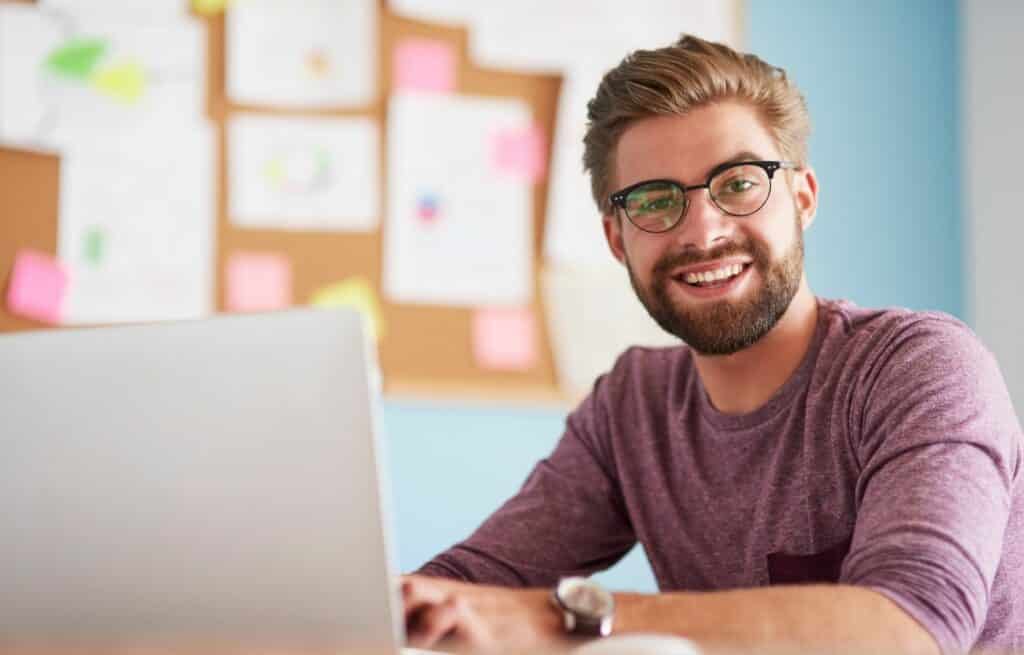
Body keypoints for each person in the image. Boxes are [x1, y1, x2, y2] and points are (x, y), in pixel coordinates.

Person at [401, 34, 1024, 655]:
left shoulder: (921, 368)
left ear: (802, 198)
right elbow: (469, 587)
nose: (702, 231)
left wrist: (572, 619)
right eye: (655, 200)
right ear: (618, 240)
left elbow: (909, 628)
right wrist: (376, 614)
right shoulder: (632, 409)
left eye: (738, 183)